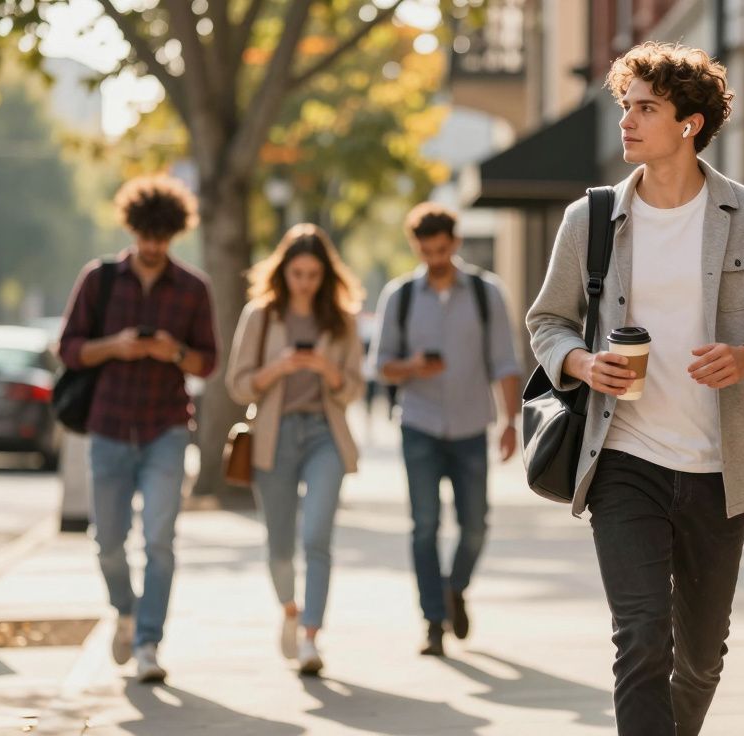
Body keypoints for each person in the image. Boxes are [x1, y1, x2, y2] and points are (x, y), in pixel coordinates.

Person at [525, 42, 744, 736]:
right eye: (625, 106)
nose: (627, 121)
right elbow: (547, 320)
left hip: (723, 470)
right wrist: (578, 364)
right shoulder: (590, 219)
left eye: (646, 108)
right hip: (624, 459)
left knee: (699, 659)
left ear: (689, 124)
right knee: (641, 639)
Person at [57, 174, 218, 683]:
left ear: (173, 233)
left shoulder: (193, 289)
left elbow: (208, 363)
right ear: (132, 229)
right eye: (145, 235)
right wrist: (116, 346)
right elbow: (68, 348)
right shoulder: (99, 279)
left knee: (159, 540)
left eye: (161, 237)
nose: (152, 246)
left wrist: (171, 350)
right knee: (107, 541)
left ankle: (149, 642)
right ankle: (124, 610)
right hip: (107, 426)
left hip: (166, 429)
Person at [368, 203, 522, 657]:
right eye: (425, 250)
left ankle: (456, 587)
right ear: (415, 247)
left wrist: (512, 421)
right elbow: (380, 367)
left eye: (442, 249)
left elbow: (506, 361)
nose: (435, 258)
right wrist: (412, 366)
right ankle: (433, 622)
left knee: (475, 525)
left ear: (455, 243)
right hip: (419, 425)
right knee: (424, 526)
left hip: (473, 425)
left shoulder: (485, 293)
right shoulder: (399, 296)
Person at [226, 223, 365, 675]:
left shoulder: (341, 320)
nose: (304, 282)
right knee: (281, 546)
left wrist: (327, 370)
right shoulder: (260, 315)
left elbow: (354, 388)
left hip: (325, 435)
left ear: (326, 275)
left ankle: (310, 636)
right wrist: (278, 369)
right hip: (275, 436)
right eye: (297, 273)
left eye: (313, 274)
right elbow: (238, 385)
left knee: (317, 538)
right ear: (283, 270)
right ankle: (290, 608)